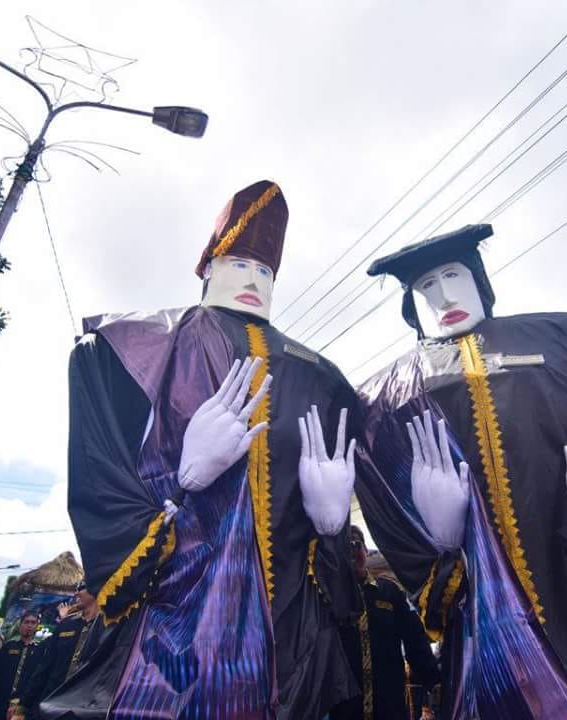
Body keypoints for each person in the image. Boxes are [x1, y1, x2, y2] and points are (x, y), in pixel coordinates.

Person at [43, 180, 361, 720]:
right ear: (207, 266)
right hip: (164, 635)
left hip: (287, 642)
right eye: (237, 262)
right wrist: (184, 482)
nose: (252, 280)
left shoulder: (320, 378)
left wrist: (332, 528)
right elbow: (101, 473)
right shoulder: (131, 346)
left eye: (264, 271)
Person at [355, 224, 567, 718]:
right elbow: (380, 491)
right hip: (488, 649)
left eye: (455, 276)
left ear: (480, 280)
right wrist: (438, 538)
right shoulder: (384, 398)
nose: (444, 297)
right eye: (425, 288)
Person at [330, 526, 440, 720]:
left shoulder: (390, 591)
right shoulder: (330, 598)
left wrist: (434, 681)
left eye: (356, 544)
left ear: (365, 550)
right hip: (346, 708)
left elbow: (415, 641)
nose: (352, 552)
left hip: (390, 706)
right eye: (344, 547)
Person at [19, 583, 100, 718]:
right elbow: (44, 667)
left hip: (82, 709)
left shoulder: (107, 626)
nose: (76, 593)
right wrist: (23, 706)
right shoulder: (67, 624)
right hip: (49, 704)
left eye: (81, 588)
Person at [0, 612, 43, 720]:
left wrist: (23, 703)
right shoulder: (8, 646)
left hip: (22, 705)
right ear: (20, 625)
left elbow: (37, 679)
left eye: (33, 623)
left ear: (37, 626)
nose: (29, 625)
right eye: (26, 622)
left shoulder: (40, 650)